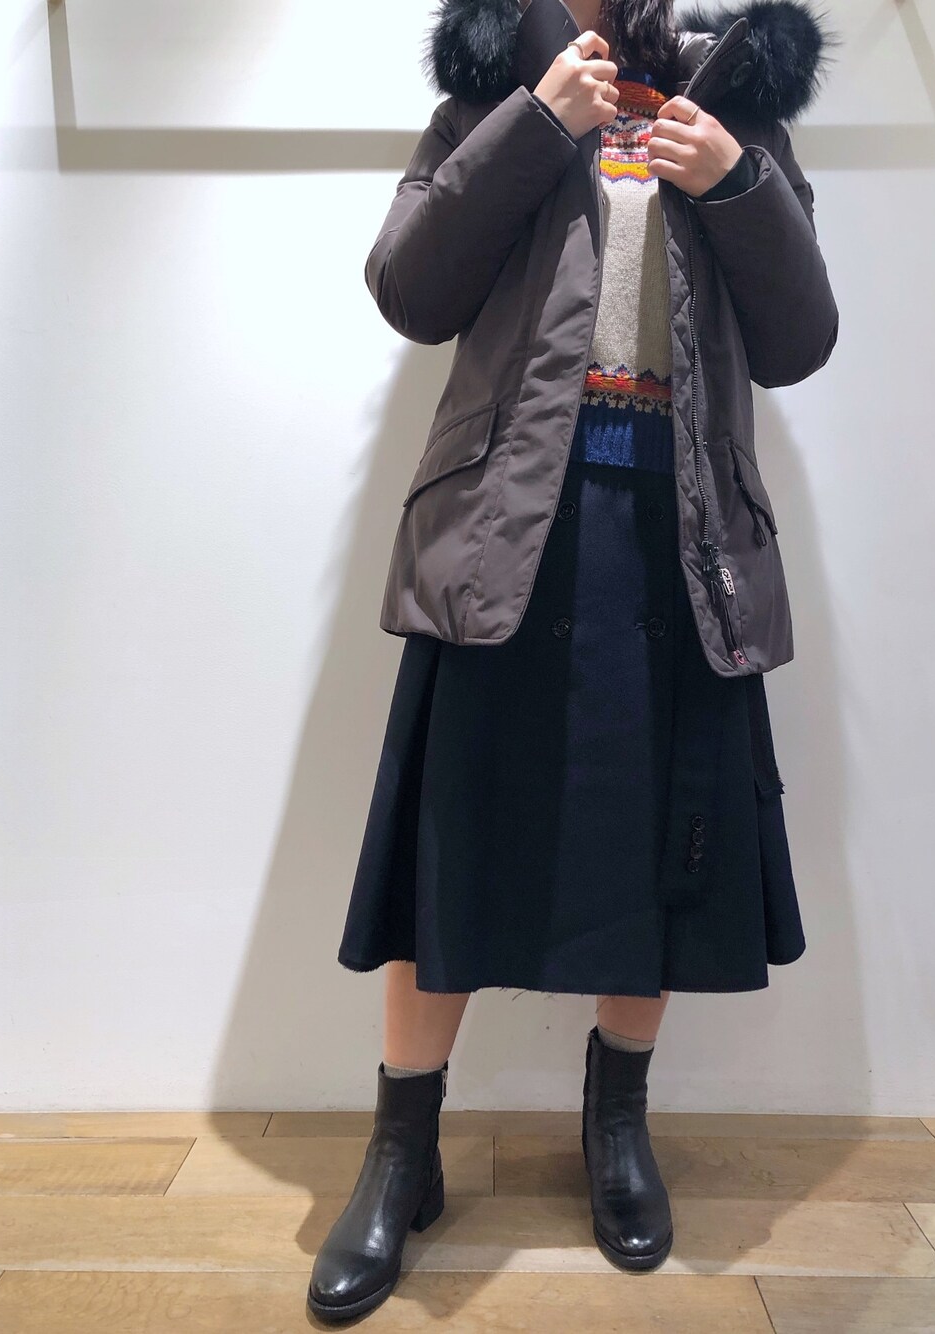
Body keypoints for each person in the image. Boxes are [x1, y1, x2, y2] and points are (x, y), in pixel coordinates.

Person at [308, 0, 839, 1320]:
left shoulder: (734, 104)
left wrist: (739, 181)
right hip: (505, 529)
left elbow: (801, 339)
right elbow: (410, 291)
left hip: (683, 532)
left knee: (660, 842)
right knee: (451, 845)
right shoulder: (495, 95)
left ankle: (617, 1127)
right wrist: (533, 125)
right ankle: (401, 1150)